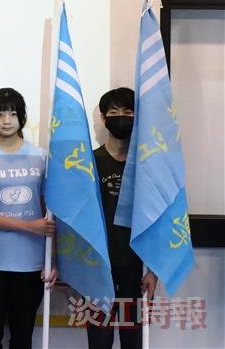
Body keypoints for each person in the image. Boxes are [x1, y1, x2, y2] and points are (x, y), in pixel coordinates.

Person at [0, 88, 57, 349]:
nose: (6, 120)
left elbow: (51, 215)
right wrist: (29, 226)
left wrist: (54, 259)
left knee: (23, 336)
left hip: (31, 264)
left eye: (13, 113)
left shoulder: (41, 157)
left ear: (23, 117)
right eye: (0, 114)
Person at [87, 87, 157, 349]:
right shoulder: (89, 162)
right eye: (114, 112)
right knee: (99, 339)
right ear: (104, 118)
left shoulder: (146, 164)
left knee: (132, 339)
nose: (121, 117)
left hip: (134, 267)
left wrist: (153, 270)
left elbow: (156, 218)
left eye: (128, 112)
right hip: (97, 266)